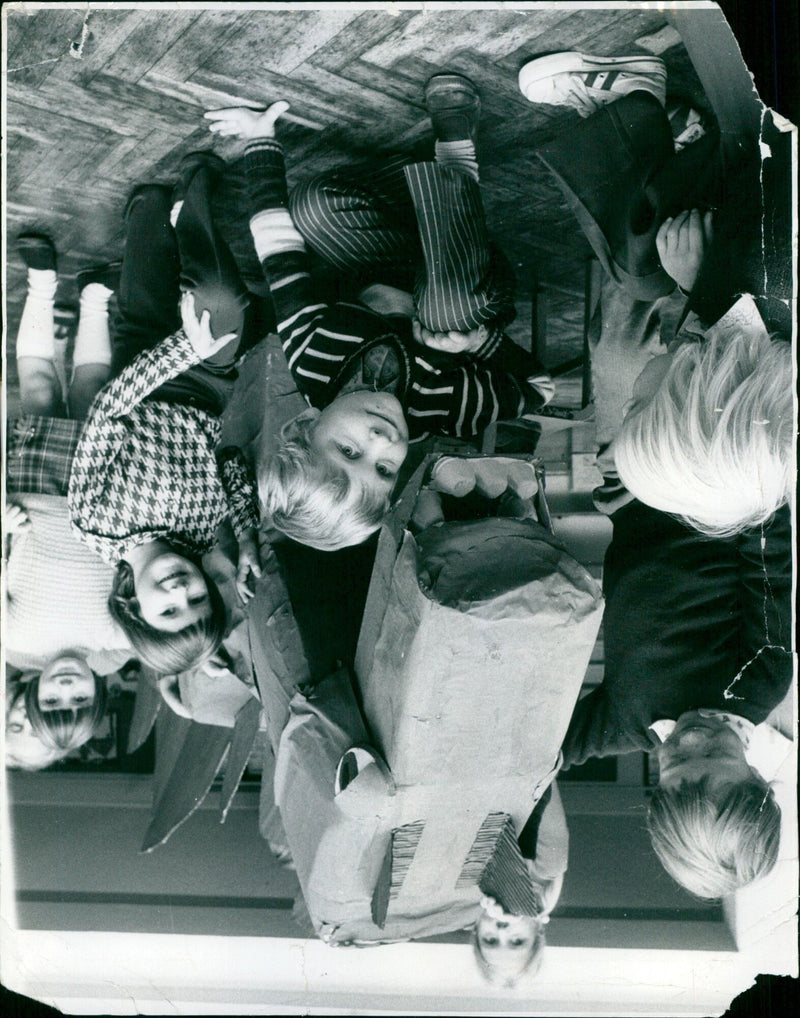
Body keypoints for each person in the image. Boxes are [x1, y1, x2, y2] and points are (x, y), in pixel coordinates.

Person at [520, 49, 793, 897]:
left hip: (629, 474)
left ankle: (656, 128)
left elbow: (552, 746)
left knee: (621, 299)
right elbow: (770, 526)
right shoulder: (766, 673)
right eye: (718, 765)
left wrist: (504, 807)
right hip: (707, 455)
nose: (691, 750)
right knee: (659, 284)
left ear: (657, 791)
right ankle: (671, 123)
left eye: (677, 778)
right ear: (756, 775)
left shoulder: (635, 725)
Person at [205, 75, 552, 551]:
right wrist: (477, 343)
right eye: (385, 468)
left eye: (349, 451)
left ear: (305, 426)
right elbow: (539, 390)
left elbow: (280, 257)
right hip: (467, 290)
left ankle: (434, 201)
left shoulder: (310, 355)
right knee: (447, 311)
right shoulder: (444, 405)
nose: (380, 440)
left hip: (388, 260)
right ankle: (455, 156)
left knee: (312, 206)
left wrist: (260, 140)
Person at [519, 50, 793, 538]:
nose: (623, 405)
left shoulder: (758, 346)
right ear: (690, 389)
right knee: (641, 261)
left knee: (640, 274)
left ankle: (655, 124)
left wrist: (697, 284)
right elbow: (772, 156)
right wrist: (706, 274)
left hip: (737, 233)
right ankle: (644, 106)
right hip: (766, 145)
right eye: (636, 408)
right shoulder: (764, 269)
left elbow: (731, 318)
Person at [67, 160, 262, 674]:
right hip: (205, 382)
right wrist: (244, 536)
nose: (181, 591)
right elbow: (231, 463)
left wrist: (178, 350)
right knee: (223, 302)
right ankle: (196, 199)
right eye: (198, 601)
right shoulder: (200, 533)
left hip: (141, 365)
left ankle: (160, 221)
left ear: (133, 607)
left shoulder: (95, 524)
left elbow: (109, 408)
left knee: (145, 204)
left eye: (169, 611)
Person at [5, 235, 132, 676]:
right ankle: (95, 296)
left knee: (38, 389)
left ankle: (41, 283)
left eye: (55, 703)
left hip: (33, 501)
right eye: (78, 702)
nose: (67, 689)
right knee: (92, 393)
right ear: (95, 697)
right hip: (99, 501)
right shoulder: (112, 651)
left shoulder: (13, 645)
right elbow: (157, 633)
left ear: (35, 696)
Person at [473, 783, 568, 986]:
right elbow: (545, 774)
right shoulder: (547, 868)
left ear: (477, 930)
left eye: (490, 940)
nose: (501, 930)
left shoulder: (465, 888)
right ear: (537, 932)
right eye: (517, 941)